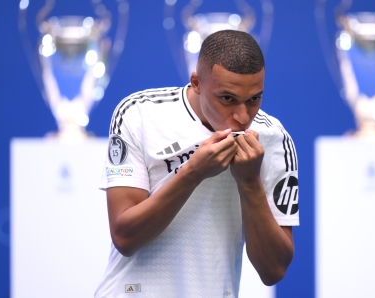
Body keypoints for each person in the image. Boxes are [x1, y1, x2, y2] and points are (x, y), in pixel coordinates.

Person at [96, 29, 299, 298]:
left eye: (254, 99)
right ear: (196, 83)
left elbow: (273, 270)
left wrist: (250, 182)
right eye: (227, 98)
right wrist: (193, 172)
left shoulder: (275, 139)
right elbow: (125, 237)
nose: (242, 116)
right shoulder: (138, 113)